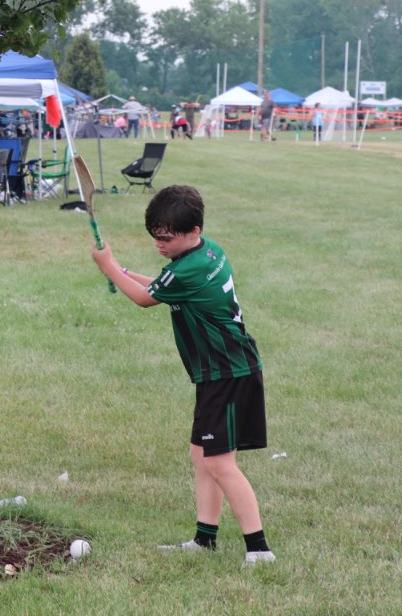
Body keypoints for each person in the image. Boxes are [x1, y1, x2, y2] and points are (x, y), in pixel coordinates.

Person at [90, 184, 275, 566]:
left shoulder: (190, 268)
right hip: (223, 371)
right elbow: (158, 286)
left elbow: (145, 299)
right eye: (155, 237)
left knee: (221, 464)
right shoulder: (206, 251)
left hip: (226, 373)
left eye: (166, 238)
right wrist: (122, 270)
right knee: (202, 455)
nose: (160, 244)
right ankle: (204, 539)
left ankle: (259, 549)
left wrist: (108, 267)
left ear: (192, 230)